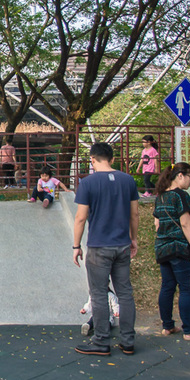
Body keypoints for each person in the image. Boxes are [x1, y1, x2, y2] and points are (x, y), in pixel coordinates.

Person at [72, 142, 139, 356]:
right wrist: (134, 239)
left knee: (99, 293)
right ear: (111, 158)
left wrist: (76, 246)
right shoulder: (128, 180)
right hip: (122, 245)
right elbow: (134, 214)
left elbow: (81, 217)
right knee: (125, 293)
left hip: (99, 246)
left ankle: (101, 341)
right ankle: (128, 341)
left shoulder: (88, 183)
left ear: (92, 159)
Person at [153, 163, 190, 341]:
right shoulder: (181, 196)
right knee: (185, 288)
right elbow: (185, 223)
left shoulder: (161, 196)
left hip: (162, 248)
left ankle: (168, 326)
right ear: (180, 176)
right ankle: (189, 330)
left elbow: (157, 224)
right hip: (179, 247)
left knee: (167, 287)